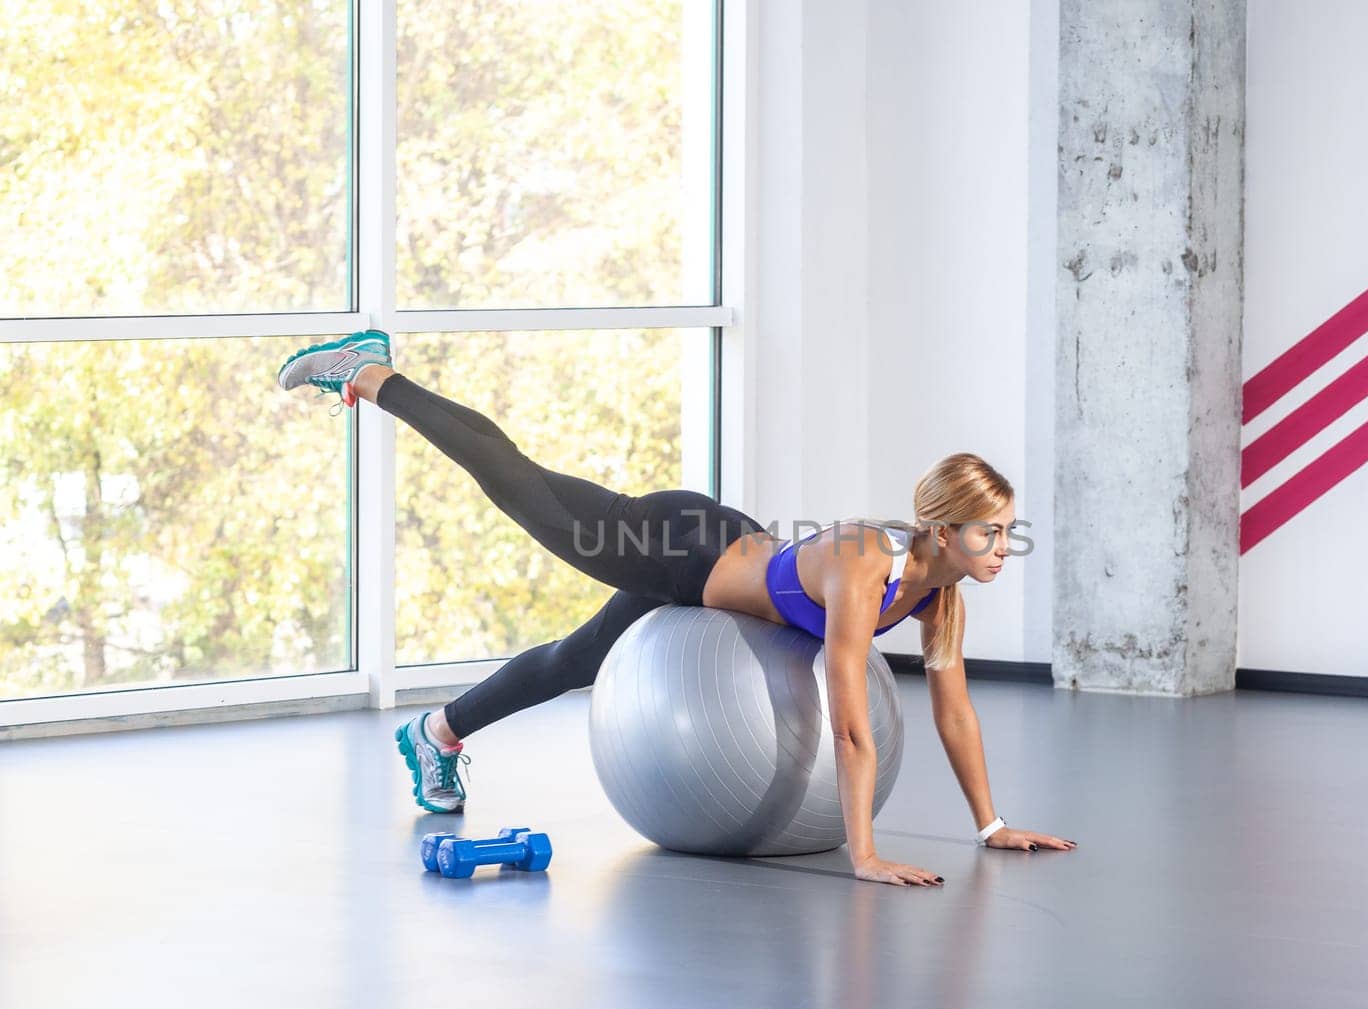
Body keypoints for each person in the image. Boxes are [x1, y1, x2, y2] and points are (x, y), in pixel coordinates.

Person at [278, 329, 1075, 887]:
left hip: (712, 558)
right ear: (943, 530)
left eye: (1005, 532)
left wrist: (991, 825)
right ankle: (373, 374)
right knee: (521, 483)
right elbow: (849, 722)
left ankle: (436, 732)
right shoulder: (868, 562)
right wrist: (862, 854)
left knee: (575, 660)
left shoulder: (940, 597)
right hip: (677, 546)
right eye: (992, 533)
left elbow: (956, 714)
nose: (1006, 545)